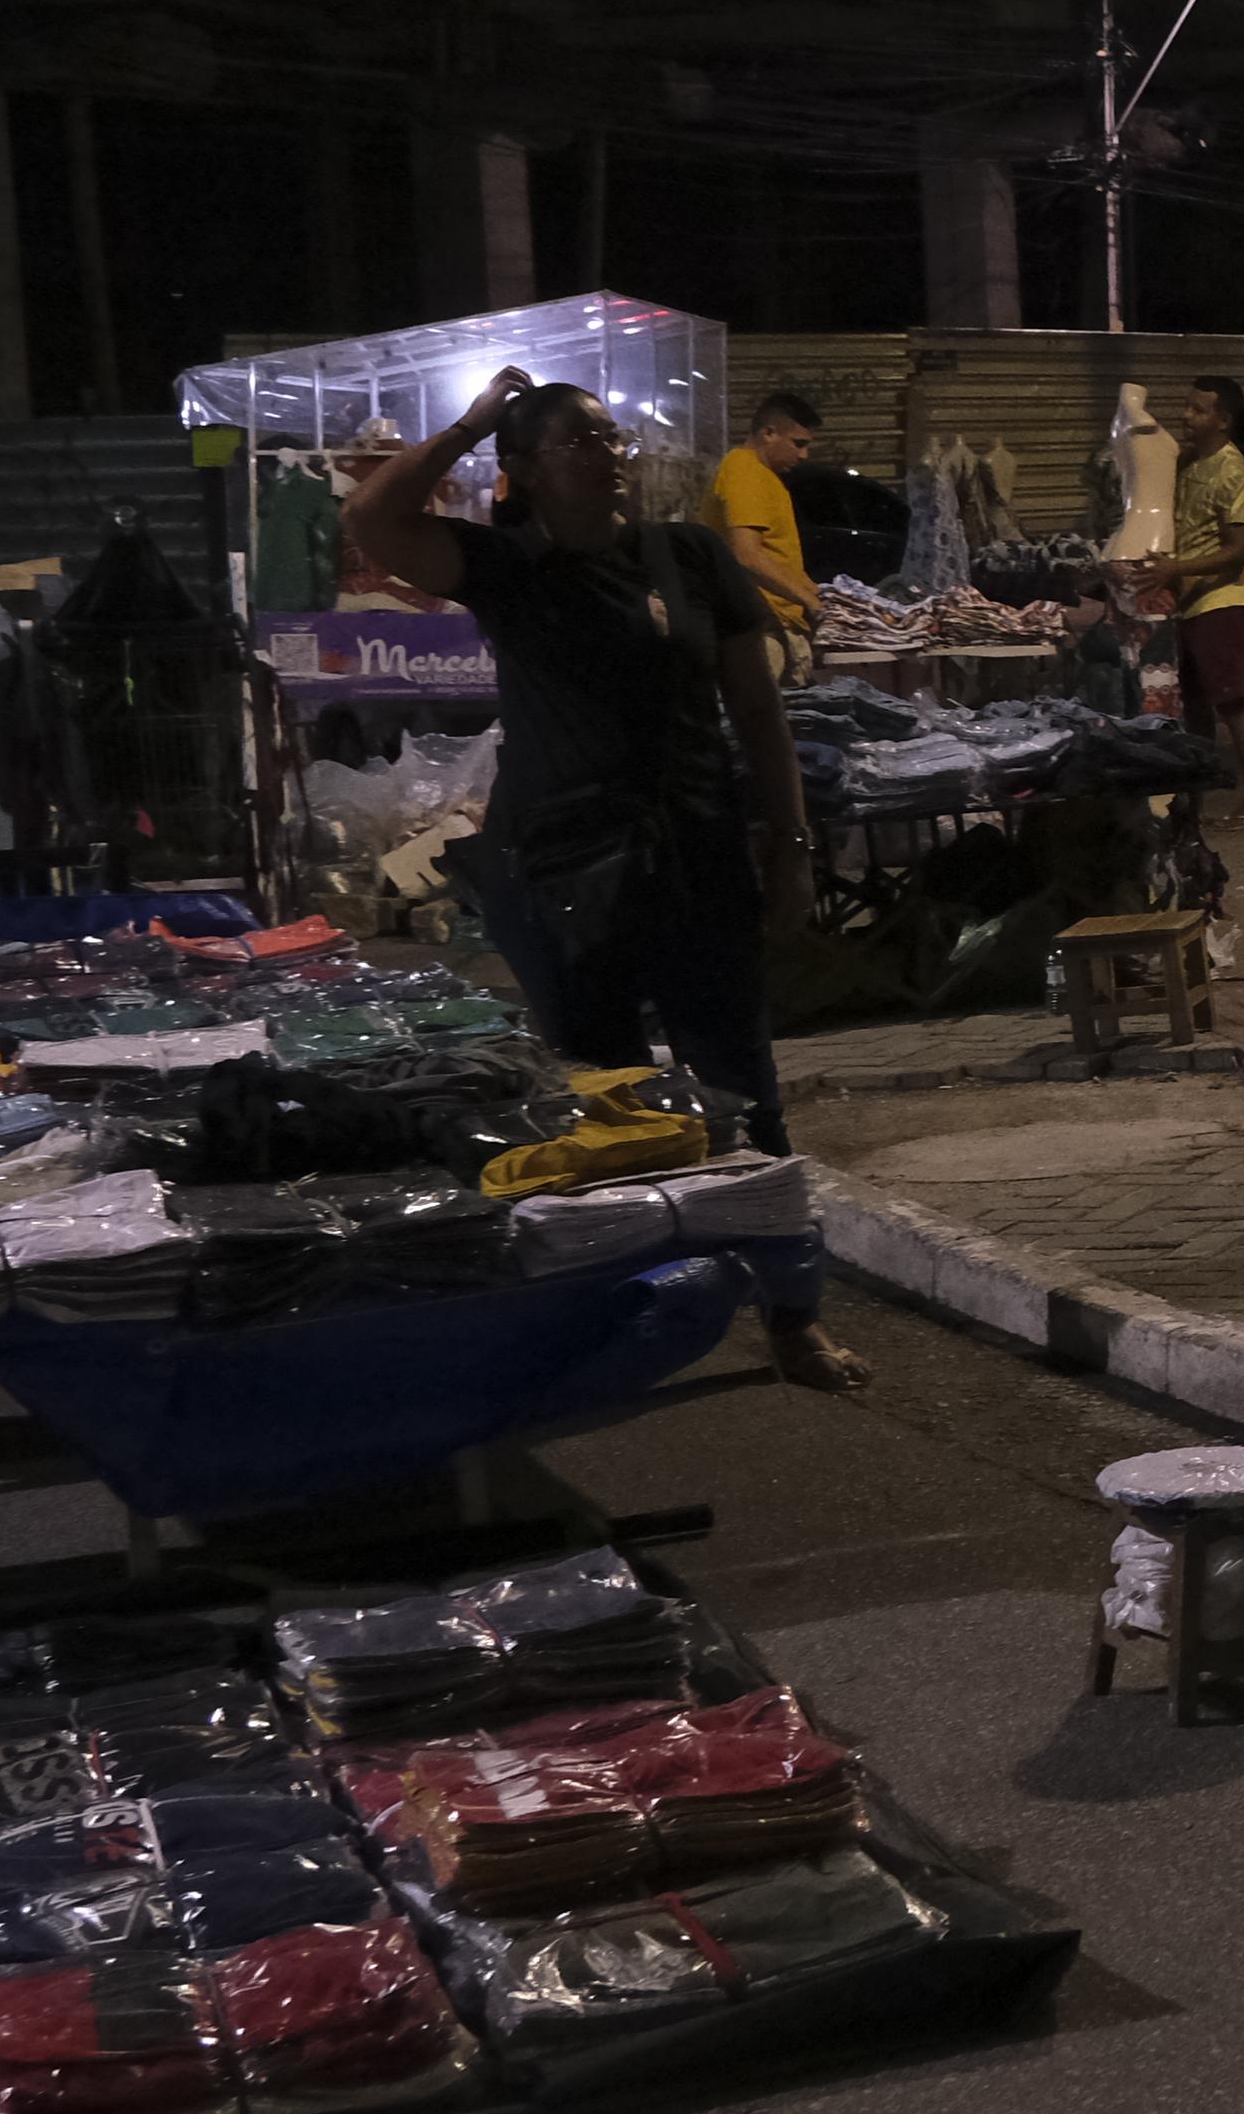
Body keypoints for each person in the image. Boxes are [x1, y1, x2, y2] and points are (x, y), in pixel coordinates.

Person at [344, 371, 864, 1392]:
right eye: (580, 439)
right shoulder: (505, 564)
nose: (610, 450)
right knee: (600, 1098)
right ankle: (620, 1317)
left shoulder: (690, 554)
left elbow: (757, 713)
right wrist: (470, 424)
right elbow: (373, 514)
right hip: (564, 870)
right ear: (528, 471)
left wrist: (791, 844)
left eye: (613, 435)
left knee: (741, 1090)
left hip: (697, 847)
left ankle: (793, 1316)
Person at [1162, 375, 1244, 818]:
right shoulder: (1189, 463)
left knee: (1232, 702)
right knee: (1194, 705)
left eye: (1197, 410)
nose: (1185, 416)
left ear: (1223, 420)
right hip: (1189, 602)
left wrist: (1177, 569)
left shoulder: (1234, 473)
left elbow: (1240, 551)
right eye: (1186, 408)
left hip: (1221, 602)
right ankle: (1194, 797)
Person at [705, 389, 826, 677]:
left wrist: (824, 597)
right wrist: (810, 601)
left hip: (775, 626)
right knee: (759, 718)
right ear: (769, 433)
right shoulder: (744, 470)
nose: (803, 454)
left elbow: (777, 559)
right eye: (798, 444)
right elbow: (747, 556)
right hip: (760, 631)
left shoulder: (765, 477)